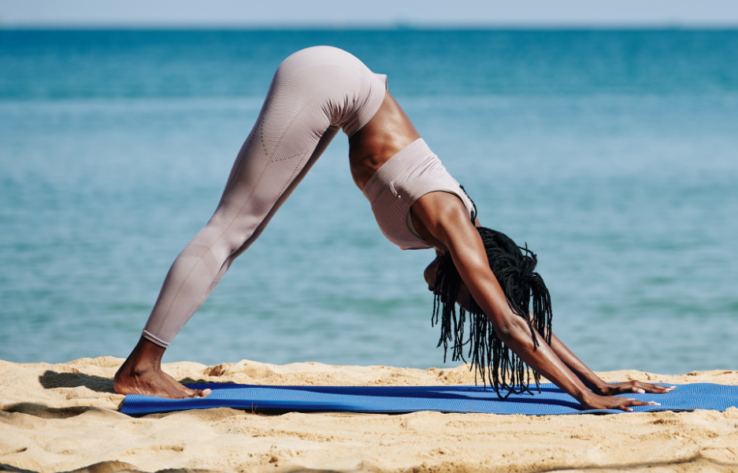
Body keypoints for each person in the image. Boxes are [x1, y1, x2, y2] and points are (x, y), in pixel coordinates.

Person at [114, 46, 672, 411]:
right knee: (231, 228)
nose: (455, 300)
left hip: (339, 95)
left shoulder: (451, 233)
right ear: (473, 270)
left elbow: (520, 317)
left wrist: (601, 380)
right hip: (331, 82)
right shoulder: (453, 224)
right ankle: (142, 365)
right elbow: (508, 323)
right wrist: (583, 398)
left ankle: (147, 360)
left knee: (244, 232)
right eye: (466, 296)